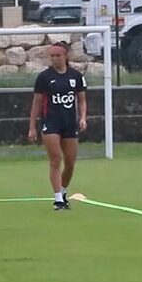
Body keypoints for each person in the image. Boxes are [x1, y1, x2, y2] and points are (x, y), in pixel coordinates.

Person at [27, 41, 88, 210]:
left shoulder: (76, 76)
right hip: (50, 122)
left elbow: (81, 100)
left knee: (70, 162)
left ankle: (63, 191)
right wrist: (32, 126)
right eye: (52, 56)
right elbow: (36, 103)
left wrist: (83, 118)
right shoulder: (44, 77)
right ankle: (58, 199)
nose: (54, 59)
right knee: (55, 159)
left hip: (69, 123)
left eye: (57, 55)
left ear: (66, 56)